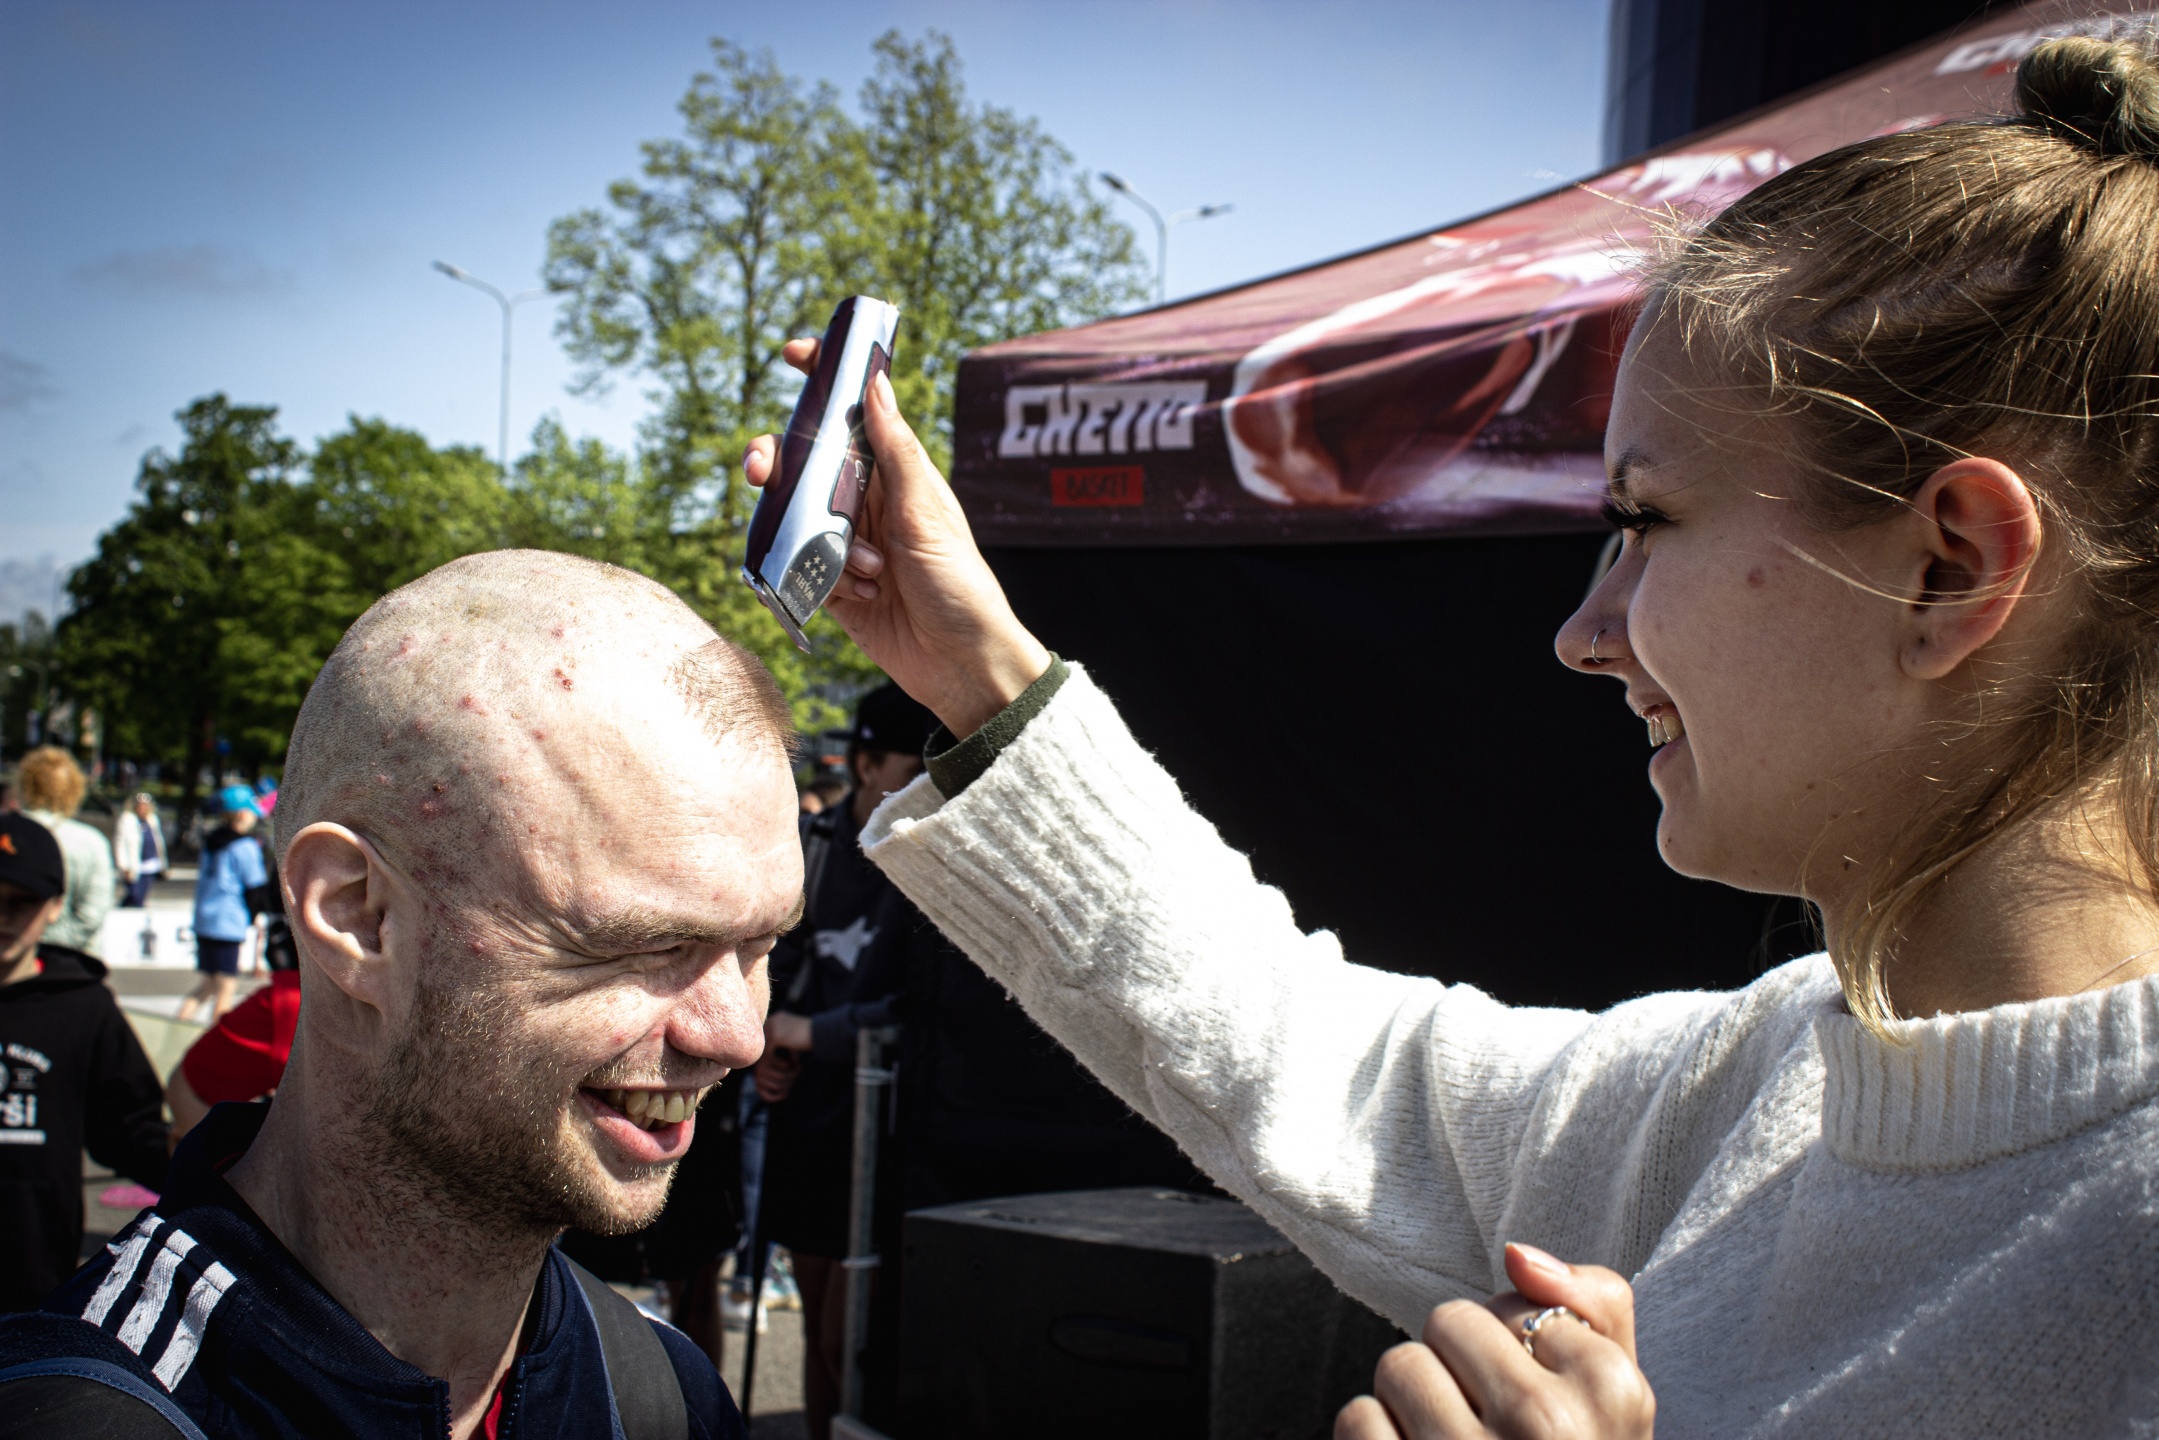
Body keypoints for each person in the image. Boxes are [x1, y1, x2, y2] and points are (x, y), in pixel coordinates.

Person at [741, 38, 2159, 1437]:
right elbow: (1313, 1062)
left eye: (1641, 522)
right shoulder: (1746, 1085)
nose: (1582, 634)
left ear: (1948, 569)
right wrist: (979, 671)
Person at [0, 550, 797, 1438]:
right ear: (357, 916)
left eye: (760, 946)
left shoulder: (662, 1394)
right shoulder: (81, 1415)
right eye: (648, 944)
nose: (737, 1036)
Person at [753, 682, 935, 1440]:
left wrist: (809, 1032)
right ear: (865, 765)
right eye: (912, 767)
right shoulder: (814, 845)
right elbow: (771, 962)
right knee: (817, 1342)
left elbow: (924, 1011)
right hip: (811, 1119)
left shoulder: (929, 855)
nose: (927, 784)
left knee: (846, 1336)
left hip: (886, 1129)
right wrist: (769, 1047)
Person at [0, 812, 168, 1313]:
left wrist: (222, 1178)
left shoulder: (82, 1006)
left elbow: (131, 1131)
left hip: (32, 1278)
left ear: (55, 905)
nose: (3, 918)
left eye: (21, 902)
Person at [175, 787, 268, 1024]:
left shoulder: (211, 841)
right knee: (226, 987)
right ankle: (216, 1039)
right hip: (228, 923)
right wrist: (254, 916)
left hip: (205, 920)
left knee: (208, 984)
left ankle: (177, 1026)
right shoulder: (246, 846)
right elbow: (256, 887)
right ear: (241, 814)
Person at [14, 746, 115, 958]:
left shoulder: (9, 832)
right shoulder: (91, 842)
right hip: (71, 961)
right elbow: (92, 914)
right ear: (75, 789)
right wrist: (52, 944)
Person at [113, 793, 167, 909]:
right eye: (140, 805)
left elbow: (158, 842)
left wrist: (162, 863)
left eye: (145, 805)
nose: (142, 808)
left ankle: (132, 911)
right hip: (134, 865)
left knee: (140, 897)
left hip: (149, 864)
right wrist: (124, 865)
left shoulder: (152, 820)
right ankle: (123, 907)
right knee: (134, 894)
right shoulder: (128, 819)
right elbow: (120, 844)